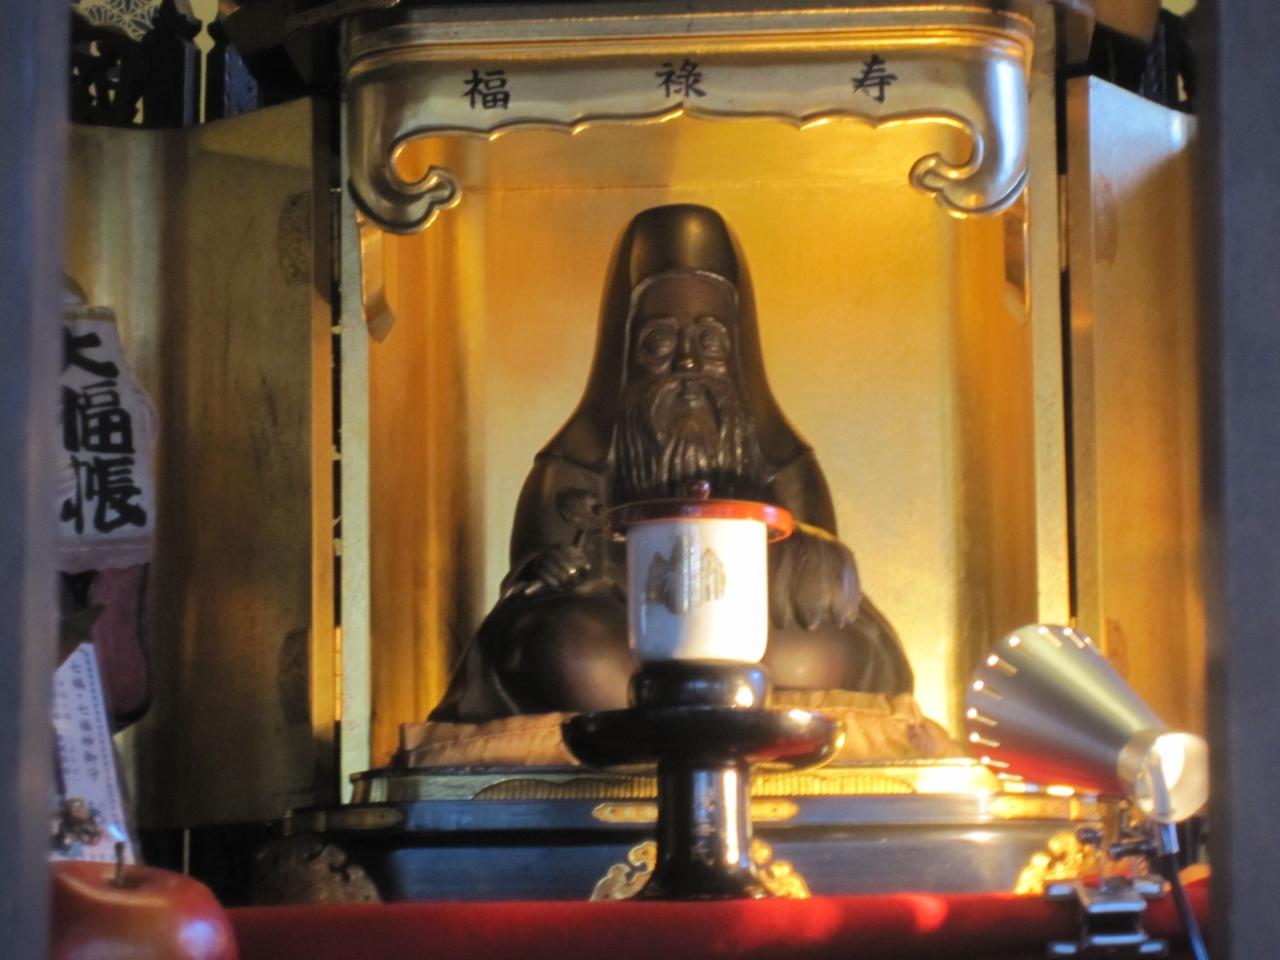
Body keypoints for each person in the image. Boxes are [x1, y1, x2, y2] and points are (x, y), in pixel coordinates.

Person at [431, 204, 912, 722]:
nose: (687, 362)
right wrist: (549, 571)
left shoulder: (778, 458)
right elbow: (530, 584)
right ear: (625, 355)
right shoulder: (578, 460)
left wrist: (811, 558)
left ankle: (684, 702)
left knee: (833, 642)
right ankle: (697, 704)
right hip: (621, 636)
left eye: (709, 342)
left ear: (739, 352)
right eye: (660, 342)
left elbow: (818, 568)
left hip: (755, 637)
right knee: (560, 645)